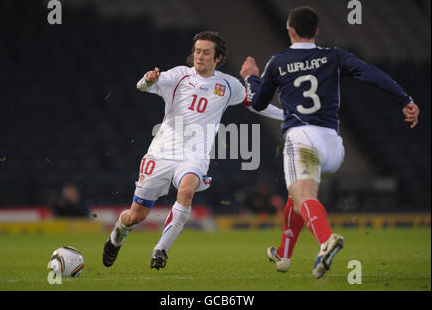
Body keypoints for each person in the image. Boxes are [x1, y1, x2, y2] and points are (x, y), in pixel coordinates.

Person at [240, 6, 419, 279]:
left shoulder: (278, 61)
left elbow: (258, 101)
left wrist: (251, 76)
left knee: (303, 197)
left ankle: (326, 239)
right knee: (297, 196)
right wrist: (404, 99)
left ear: (290, 30)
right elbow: (371, 73)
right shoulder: (335, 55)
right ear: (317, 32)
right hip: (333, 145)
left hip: (301, 139)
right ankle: (284, 255)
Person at [102, 31, 284, 270]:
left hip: (194, 156)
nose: (200, 56)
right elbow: (142, 86)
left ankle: (161, 250)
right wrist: (148, 79)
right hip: (162, 153)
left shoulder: (228, 85)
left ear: (218, 57)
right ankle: (118, 234)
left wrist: (289, 116)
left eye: (206, 52)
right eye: (197, 51)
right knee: (136, 215)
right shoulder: (178, 75)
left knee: (187, 190)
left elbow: (257, 105)